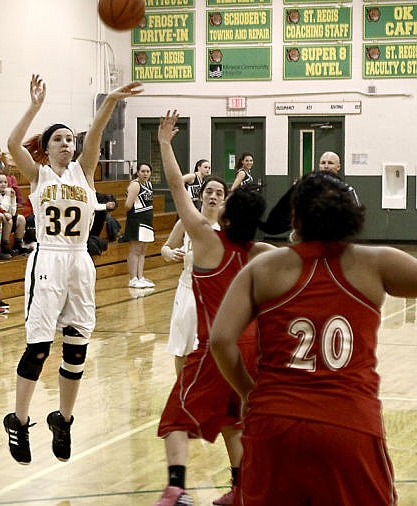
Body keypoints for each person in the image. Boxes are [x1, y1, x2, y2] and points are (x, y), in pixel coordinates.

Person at [210, 171, 400, 506]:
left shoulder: (265, 266)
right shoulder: (376, 262)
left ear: (295, 217)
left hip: (274, 422)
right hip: (349, 426)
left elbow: (220, 340)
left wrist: (248, 391)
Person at [2, 74, 143, 465]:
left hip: (80, 261)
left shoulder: (84, 172)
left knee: (77, 347)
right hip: (48, 258)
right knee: (40, 346)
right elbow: (13, 145)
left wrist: (111, 99)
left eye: (70, 139)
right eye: (59, 139)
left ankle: (63, 420)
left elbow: (95, 132)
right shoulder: (39, 175)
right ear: (47, 149)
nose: (68, 143)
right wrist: (34, 108)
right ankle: (18, 419)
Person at [154, 110, 273, 506]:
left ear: (225, 211)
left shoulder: (205, 240)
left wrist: (166, 144)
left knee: (174, 419)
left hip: (214, 347)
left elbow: (174, 184)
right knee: (234, 425)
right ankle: (241, 491)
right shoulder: (262, 253)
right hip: (252, 351)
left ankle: (177, 488)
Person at [160, 178, 225, 376]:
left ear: (224, 199)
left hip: (215, 294)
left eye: (219, 193)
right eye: (209, 191)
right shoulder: (186, 221)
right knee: (182, 344)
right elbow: (166, 247)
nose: (213, 196)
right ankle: (181, 392)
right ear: (200, 195)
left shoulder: (227, 228)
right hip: (187, 289)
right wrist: (169, 254)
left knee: (215, 348)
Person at [261, 151, 344, 236]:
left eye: (330, 163)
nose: (326, 166)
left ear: (338, 167)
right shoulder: (308, 183)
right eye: (323, 163)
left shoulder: (344, 189)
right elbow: (286, 204)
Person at [124, 162, 155, 288]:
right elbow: (127, 205)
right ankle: (133, 279)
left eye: (148, 171)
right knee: (135, 249)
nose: (145, 174)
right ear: (137, 172)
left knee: (143, 250)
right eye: (143, 171)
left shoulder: (149, 184)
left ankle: (140, 277)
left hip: (147, 221)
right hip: (136, 220)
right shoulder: (135, 185)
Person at [0, 173, 28, 255]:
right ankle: (4, 246)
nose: (3, 184)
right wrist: (8, 196)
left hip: (3, 221)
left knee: (21, 219)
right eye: (0, 182)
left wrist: (13, 198)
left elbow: (12, 212)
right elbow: (1, 210)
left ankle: (18, 246)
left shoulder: (5, 192)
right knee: (8, 219)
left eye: (5, 182)